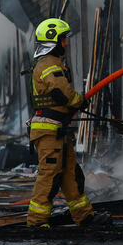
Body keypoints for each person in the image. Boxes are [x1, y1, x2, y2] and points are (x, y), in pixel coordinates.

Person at [26, 18, 111, 228]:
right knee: (50, 176)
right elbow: (62, 93)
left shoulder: (52, 64)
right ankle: (37, 222)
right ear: (52, 41)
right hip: (49, 131)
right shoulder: (48, 65)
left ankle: (84, 216)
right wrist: (80, 101)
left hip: (58, 131)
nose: (66, 44)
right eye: (63, 40)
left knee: (72, 175)